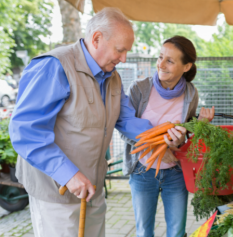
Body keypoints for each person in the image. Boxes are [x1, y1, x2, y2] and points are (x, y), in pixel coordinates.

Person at [8, 8, 185, 237]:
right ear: (96, 38)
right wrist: (68, 174)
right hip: (56, 192)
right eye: (120, 50)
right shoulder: (55, 66)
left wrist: (164, 137)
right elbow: (25, 131)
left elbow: (126, 119)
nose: (123, 59)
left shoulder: (113, 77)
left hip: (92, 190)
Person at [121, 36, 215, 237]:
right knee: (144, 232)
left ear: (186, 66)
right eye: (160, 57)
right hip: (142, 171)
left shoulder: (191, 93)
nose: (160, 64)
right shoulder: (139, 89)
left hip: (175, 173)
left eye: (170, 61)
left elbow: (185, 134)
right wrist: (156, 150)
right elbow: (125, 129)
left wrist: (193, 131)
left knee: (177, 232)